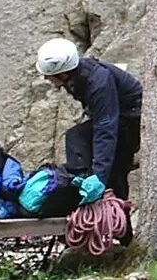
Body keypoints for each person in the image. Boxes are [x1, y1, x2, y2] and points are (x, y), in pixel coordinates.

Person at [36, 38, 142, 225]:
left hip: (131, 121)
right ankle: (81, 184)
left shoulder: (98, 83)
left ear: (63, 74)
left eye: (48, 75)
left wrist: (99, 177)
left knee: (114, 170)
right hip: (117, 116)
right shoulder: (77, 76)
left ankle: (121, 231)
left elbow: (106, 130)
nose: (46, 79)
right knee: (77, 139)